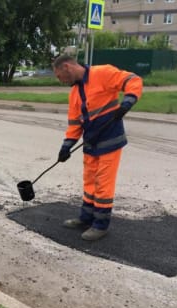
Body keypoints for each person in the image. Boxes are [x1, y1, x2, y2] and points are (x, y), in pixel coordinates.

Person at [52, 55, 143, 241]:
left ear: (68, 67)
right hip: (90, 143)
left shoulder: (102, 73)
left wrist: (127, 102)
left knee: (103, 184)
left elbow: (133, 80)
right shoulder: (74, 93)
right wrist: (66, 146)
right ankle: (86, 218)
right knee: (90, 182)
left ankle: (101, 225)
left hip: (110, 141)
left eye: (60, 76)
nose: (60, 81)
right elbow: (75, 123)